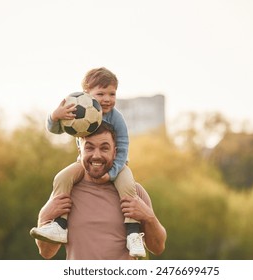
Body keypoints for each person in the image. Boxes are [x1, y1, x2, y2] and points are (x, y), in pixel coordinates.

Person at [30, 67, 146, 257]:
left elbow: (123, 147)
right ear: (86, 94)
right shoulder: (79, 110)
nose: (107, 99)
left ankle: (133, 233)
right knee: (62, 178)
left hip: (118, 164)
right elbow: (56, 130)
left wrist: (114, 172)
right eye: (101, 93)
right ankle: (59, 225)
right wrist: (54, 116)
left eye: (112, 93)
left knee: (128, 186)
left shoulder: (116, 118)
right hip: (83, 163)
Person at [34, 122, 167, 259]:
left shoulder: (134, 192)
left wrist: (149, 217)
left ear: (115, 152)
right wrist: (44, 216)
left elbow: (157, 248)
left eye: (104, 148)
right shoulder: (67, 192)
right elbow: (46, 253)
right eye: (89, 148)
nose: (96, 155)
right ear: (80, 151)